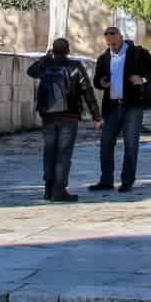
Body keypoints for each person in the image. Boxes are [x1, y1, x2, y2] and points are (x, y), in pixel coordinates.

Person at [28, 38, 102, 202]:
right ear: (68, 50)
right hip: (69, 115)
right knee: (63, 154)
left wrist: (45, 58)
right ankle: (59, 190)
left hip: (48, 115)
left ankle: (48, 189)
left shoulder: (46, 66)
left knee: (49, 153)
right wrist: (96, 117)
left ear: (53, 50)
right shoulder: (75, 67)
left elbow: (31, 71)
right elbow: (87, 91)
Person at [91, 27, 151, 193]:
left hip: (132, 106)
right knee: (105, 143)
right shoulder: (103, 58)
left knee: (131, 145)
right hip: (111, 106)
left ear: (121, 37)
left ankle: (127, 181)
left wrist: (143, 79)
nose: (112, 45)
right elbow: (96, 80)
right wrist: (101, 83)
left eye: (114, 41)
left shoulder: (136, 53)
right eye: (109, 43)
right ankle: (106, 180)